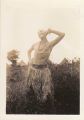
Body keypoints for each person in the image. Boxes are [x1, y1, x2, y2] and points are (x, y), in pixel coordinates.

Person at [27, 28, 65, 103]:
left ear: (46, 33)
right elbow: (28, 51)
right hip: (34, 70)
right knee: (36, 92)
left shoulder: (50, 44)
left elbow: (62, 34)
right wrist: (29, 59)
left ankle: (48, 107)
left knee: (46, 93)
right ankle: (37, 107)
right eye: (38, 32)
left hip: (44, 71)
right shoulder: (35, 44)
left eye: (42, 31)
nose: (40, 33)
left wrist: (52, 30)